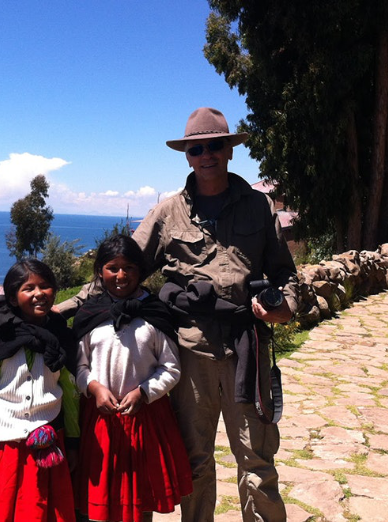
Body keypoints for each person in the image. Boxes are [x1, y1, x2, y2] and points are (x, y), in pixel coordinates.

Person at [59, 107, 298, 522]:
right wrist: (53, 310)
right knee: (196, 461)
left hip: (248, 350)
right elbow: (120, 272)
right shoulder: (167, 214)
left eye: (215, 145)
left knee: (257, 462)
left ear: (230, 150)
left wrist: (283, 307)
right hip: (188, 353)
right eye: (196, 148)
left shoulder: (259, 208)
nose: (206, 154)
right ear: (187, 156)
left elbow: (285, 274)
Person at [72, 234, 193, 522]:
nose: (121, 275)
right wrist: (94, 387)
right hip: (100, 422)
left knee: (139, 501)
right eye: (113, 268)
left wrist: (144, 392)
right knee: (99, 498)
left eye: (129, 268)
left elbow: (171, 367)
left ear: (140, 271)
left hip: (145, 421)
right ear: (100, 270)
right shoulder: (90, 314)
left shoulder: (154, 315)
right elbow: (78, 365)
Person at [0, 259, 79, 522]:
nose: (38, 294)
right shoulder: (0, 338)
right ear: (12, 296)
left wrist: (74, 441)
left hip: (47, 445)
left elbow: (71, 393)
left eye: (45, 286)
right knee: (1, 509)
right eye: (28, 288)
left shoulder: (60, 338)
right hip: (3, 447)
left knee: (40, 510)